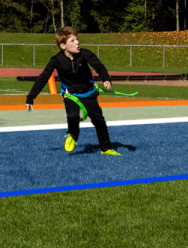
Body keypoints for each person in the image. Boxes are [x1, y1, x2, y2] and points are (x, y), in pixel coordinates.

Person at [24, 27, 118, 155]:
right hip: (70, 94)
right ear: (63, 46)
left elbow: (99, 66)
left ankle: (106, 149)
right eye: (72, 41)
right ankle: (73, 135)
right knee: (73, 116)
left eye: (77, 39)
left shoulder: (85, 54)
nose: (77, 42)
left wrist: (106, 79)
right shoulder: (56, 60)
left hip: (88, 93)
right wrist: (30, 97)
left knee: (99, 121)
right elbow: (43, 78)